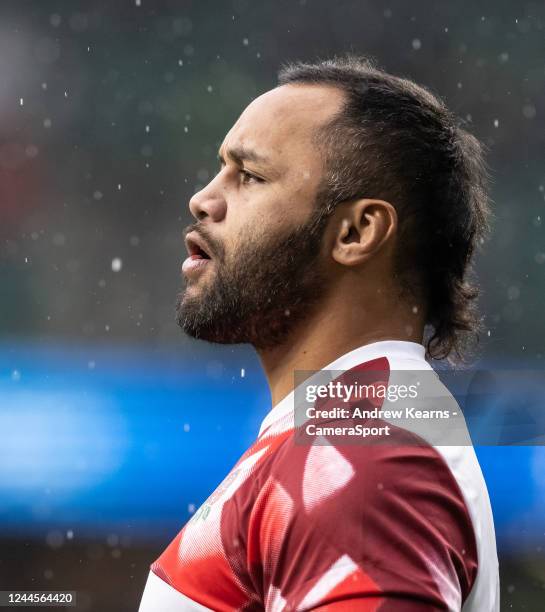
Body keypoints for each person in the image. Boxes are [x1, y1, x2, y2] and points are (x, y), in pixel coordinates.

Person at [139, 54, 499, 611]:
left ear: (356, 232)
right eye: (219, 168)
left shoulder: (362, 453)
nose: (204, 200)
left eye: (249, 176)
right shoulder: (349, 427)